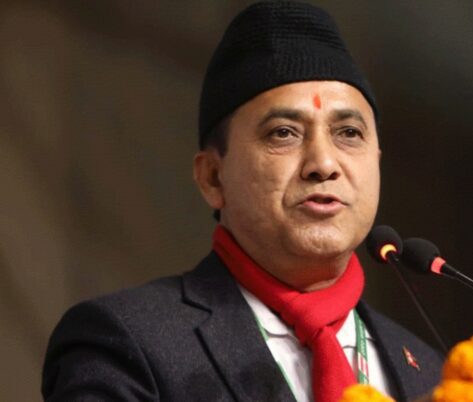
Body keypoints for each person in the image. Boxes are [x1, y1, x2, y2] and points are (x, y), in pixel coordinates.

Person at [41, 2, 443, 401]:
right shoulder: (125, 342)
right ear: (213, 177)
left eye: (349, 133)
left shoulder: (434, 374)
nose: (323, 164)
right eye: (283, 133)